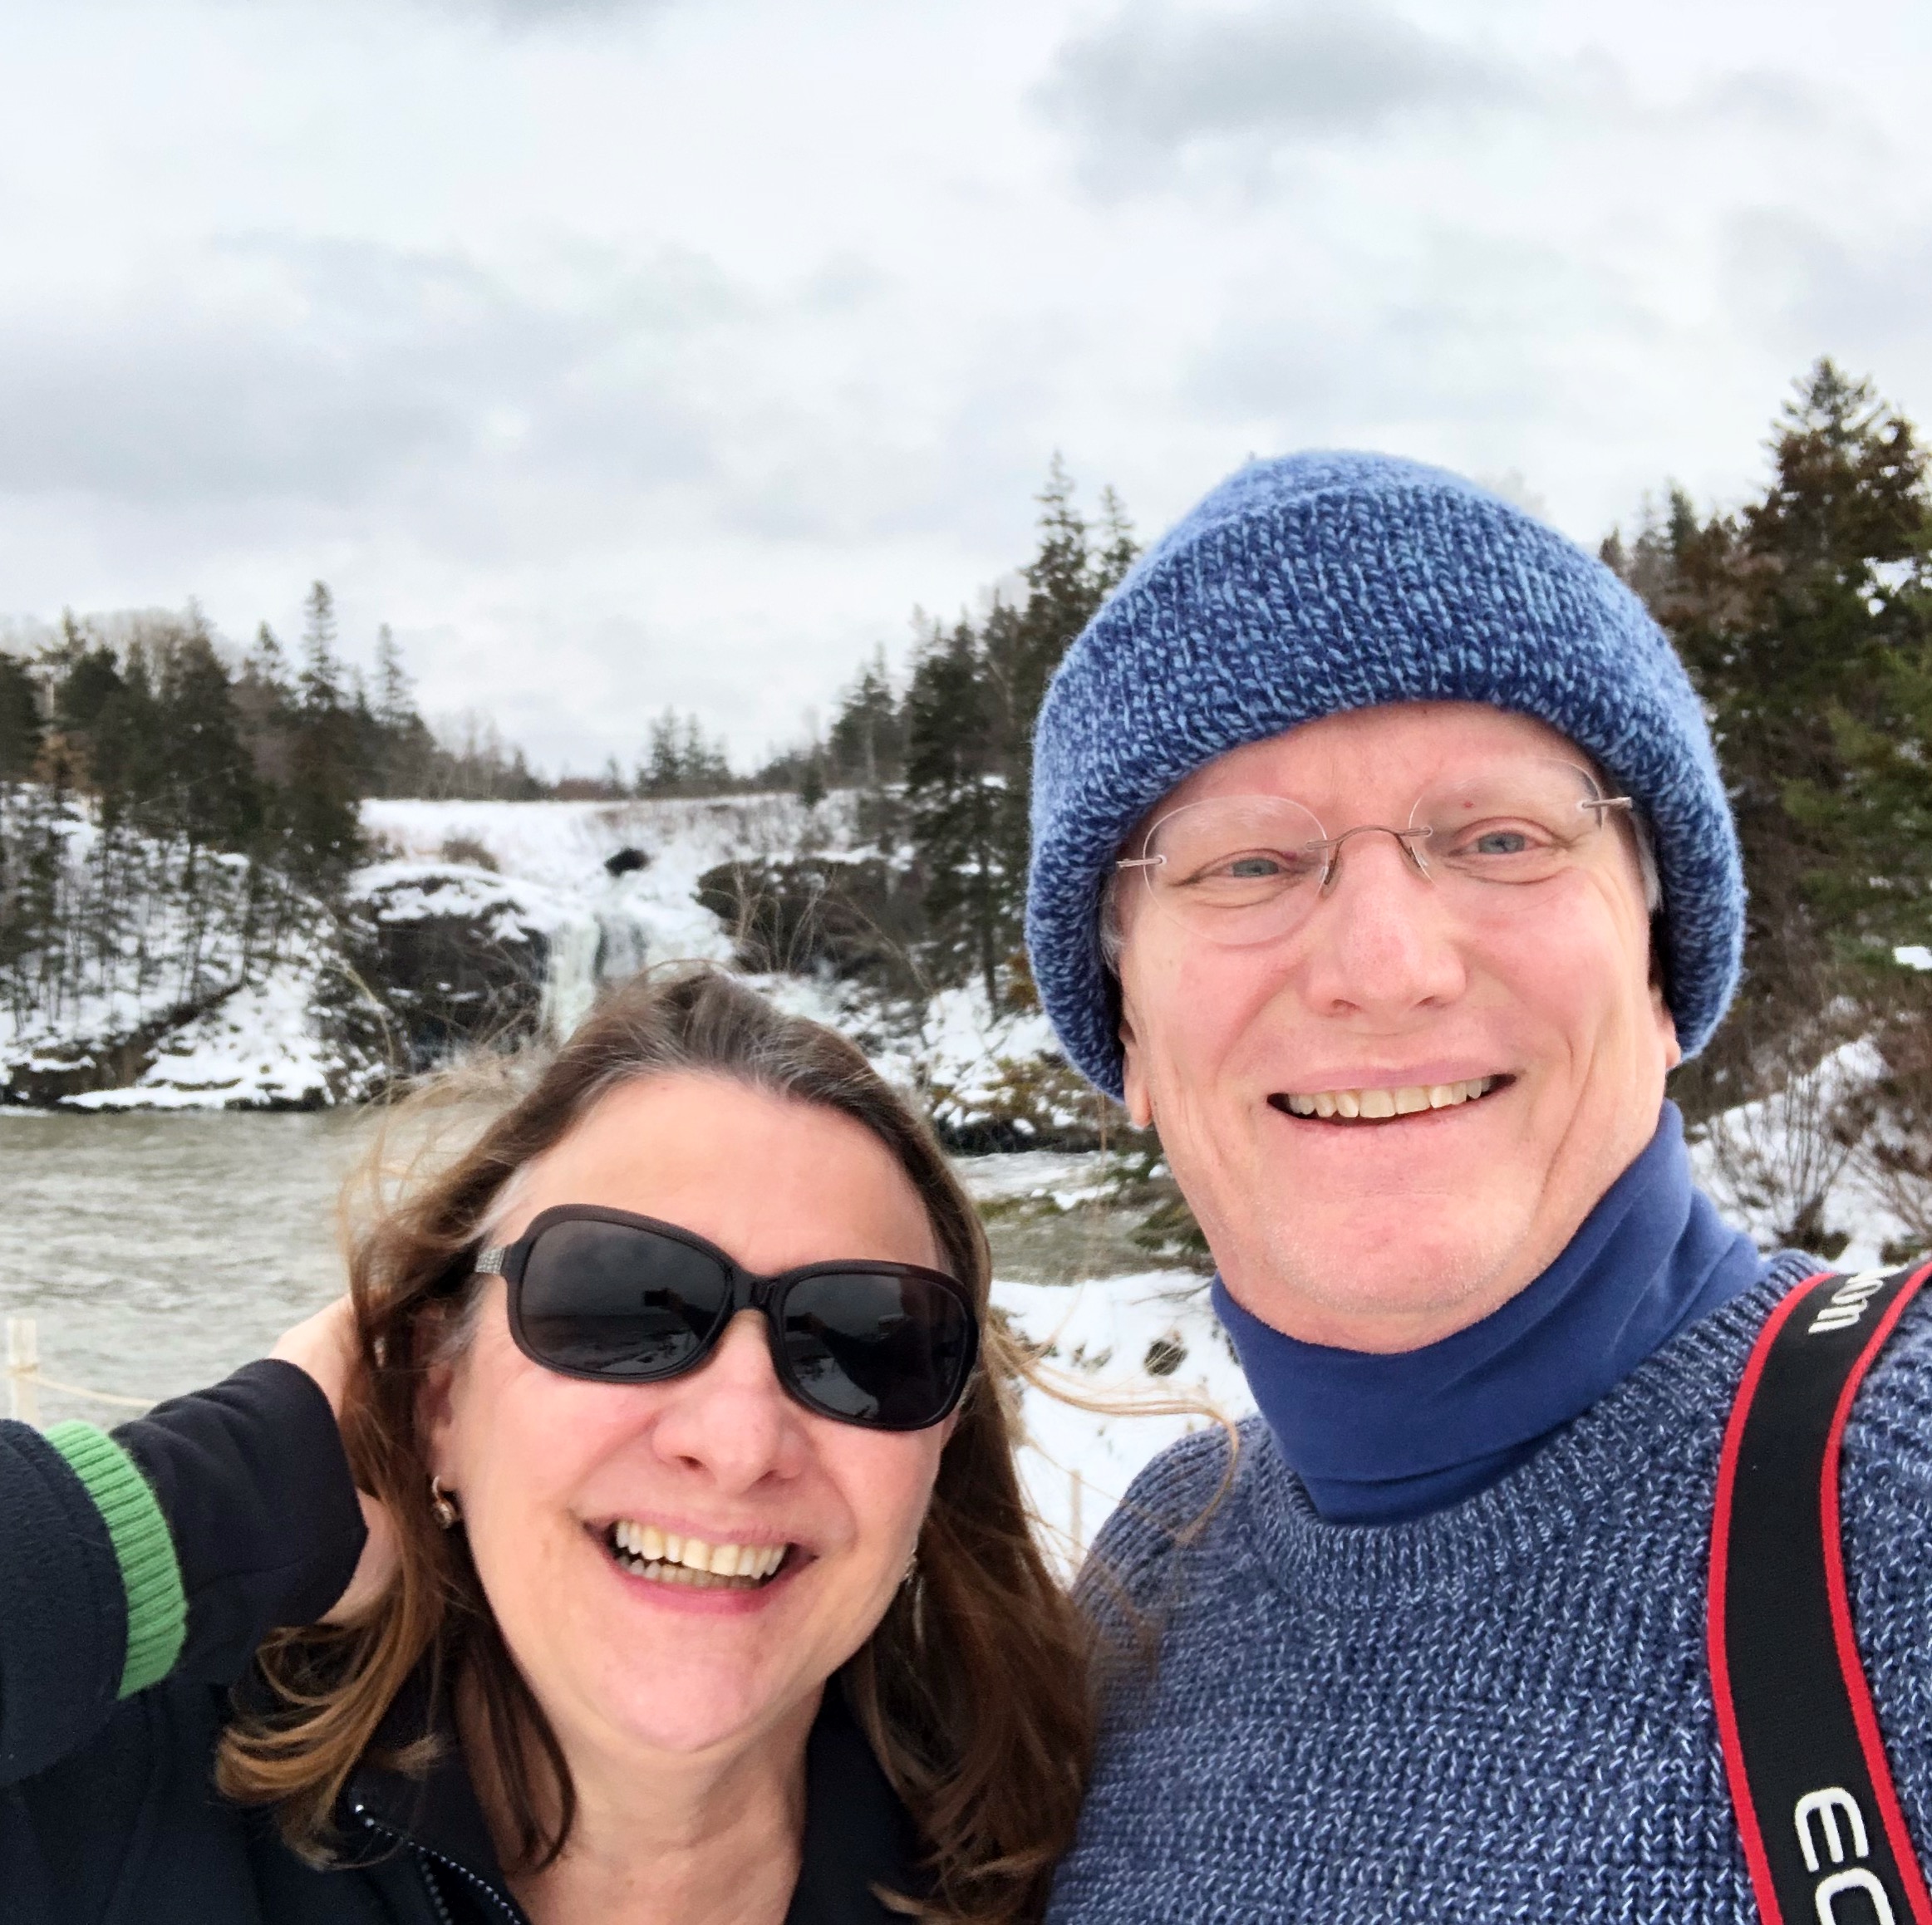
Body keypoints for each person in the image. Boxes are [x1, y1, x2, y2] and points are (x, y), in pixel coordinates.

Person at [1020, 452, 1932, 1920]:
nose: (1384, 967)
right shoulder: (1149, 1582)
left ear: (1657, 967)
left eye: (1501, 838)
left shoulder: (1902, 1502)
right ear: (1122, 1028)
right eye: (1247, 862)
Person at [0, 967, 1090, 1925]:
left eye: (867, 1340)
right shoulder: (108, 1803)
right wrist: (211, 1502)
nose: (738, 1436)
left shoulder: (1078, 1866)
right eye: (618, 1304)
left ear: (938, 1446)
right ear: (438, 1395)